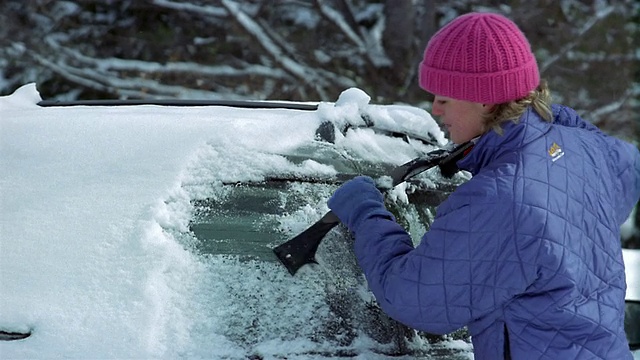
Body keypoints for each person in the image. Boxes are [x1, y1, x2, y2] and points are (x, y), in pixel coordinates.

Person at [327, 12, 640, 359]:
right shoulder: (589, 152)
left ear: (486, 100)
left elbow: (414, 299)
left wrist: (366, 213)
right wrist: (556, 124)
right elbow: (629, 169)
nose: (435, 110)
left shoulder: (499, 198)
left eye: (444, 99)